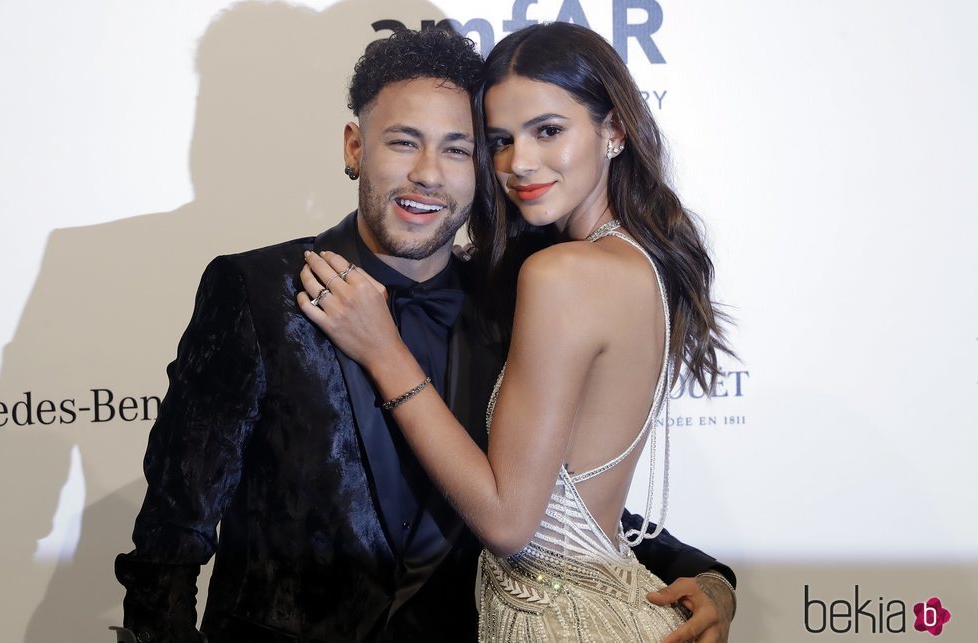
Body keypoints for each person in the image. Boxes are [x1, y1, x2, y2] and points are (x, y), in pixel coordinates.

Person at [115, 27, 731, 643]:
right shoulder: (256, 289)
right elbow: (174, 531)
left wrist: (705, 577)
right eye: (404, 143)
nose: (428, 175)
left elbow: (553, 496)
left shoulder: (512, 302)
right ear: (355, 147)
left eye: (460, 149)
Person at [299, 22, 735, 643]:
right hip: (609, 602)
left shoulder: (561, 276)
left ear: (613, 130)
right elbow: (576, 498)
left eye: (548, 131)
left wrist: (382, 348)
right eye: (499, 140)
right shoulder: (638, 263)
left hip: (558, 623)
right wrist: (714, 580)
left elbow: (510, 523)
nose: (518, 163)